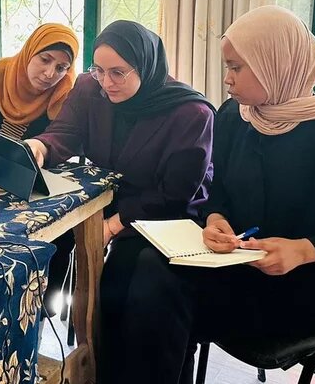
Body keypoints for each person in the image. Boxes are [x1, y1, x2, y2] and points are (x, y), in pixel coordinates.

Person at [98, 5, 315, 384]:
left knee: (159, 290)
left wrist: (305, 249)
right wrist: (216, 220)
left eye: (237, 68)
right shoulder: (236, 117)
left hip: (308, 286)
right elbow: (218, 189)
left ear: (276, 64)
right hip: (243, 266)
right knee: (136, 265)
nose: (227, 79)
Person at [24, 20, 214, 314]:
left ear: (146, 66)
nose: (106, 82)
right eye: (98, 70)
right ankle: (37, 318)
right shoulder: (90, 87)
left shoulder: (190, 113)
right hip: (109, 195)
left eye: (118, 73)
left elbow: (175, 195)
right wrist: (41, 146)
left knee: (120, 285)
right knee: (38, 237)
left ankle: (107, 353)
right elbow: (66, 132)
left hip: (160, 212)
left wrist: (112, 226)